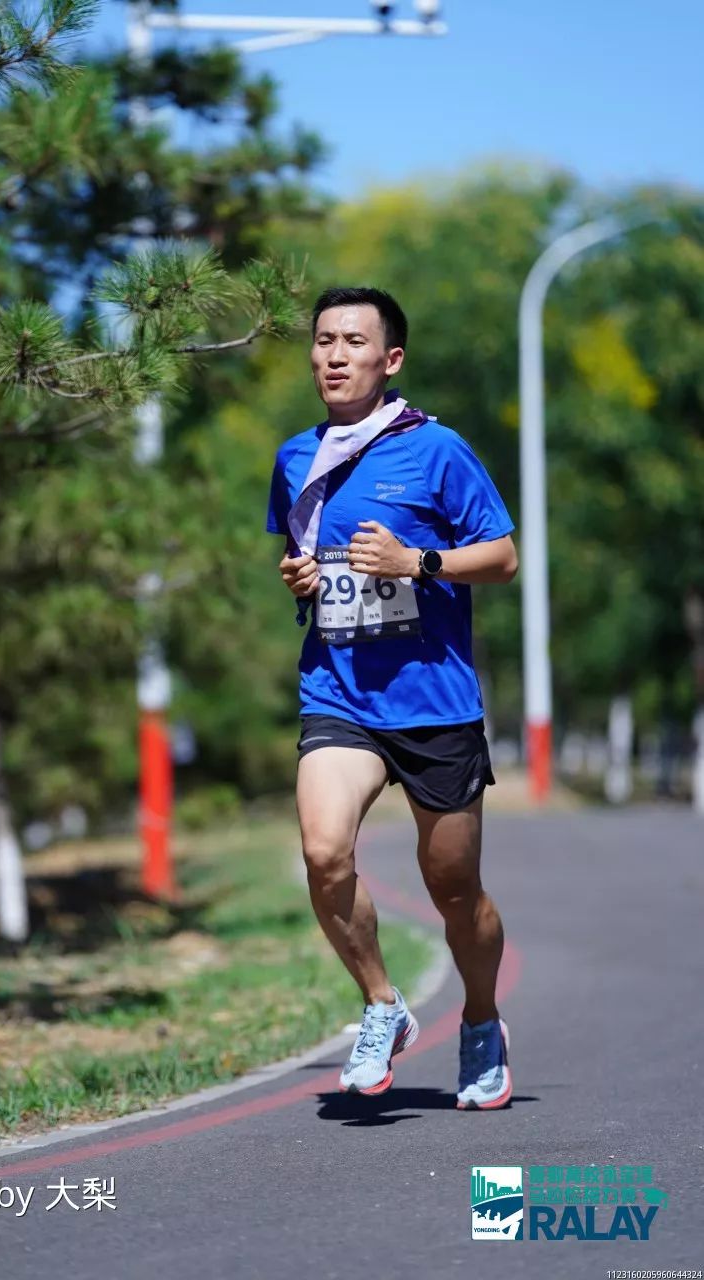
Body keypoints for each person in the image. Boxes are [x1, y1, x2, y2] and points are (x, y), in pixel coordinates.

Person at [265, 286, 518, 1108]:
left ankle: (480, 1020)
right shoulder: (294, 456)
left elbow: (503, 557)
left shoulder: (436, 450)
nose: (334, 356)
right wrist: (302, 576)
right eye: (322, 340)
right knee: (321, 850)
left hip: (434, 705)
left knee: (454, 890)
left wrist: (419, 564)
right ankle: (382, 1003)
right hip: (336, 692)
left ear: (390, 359)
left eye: (353, 342)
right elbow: (310, 566)